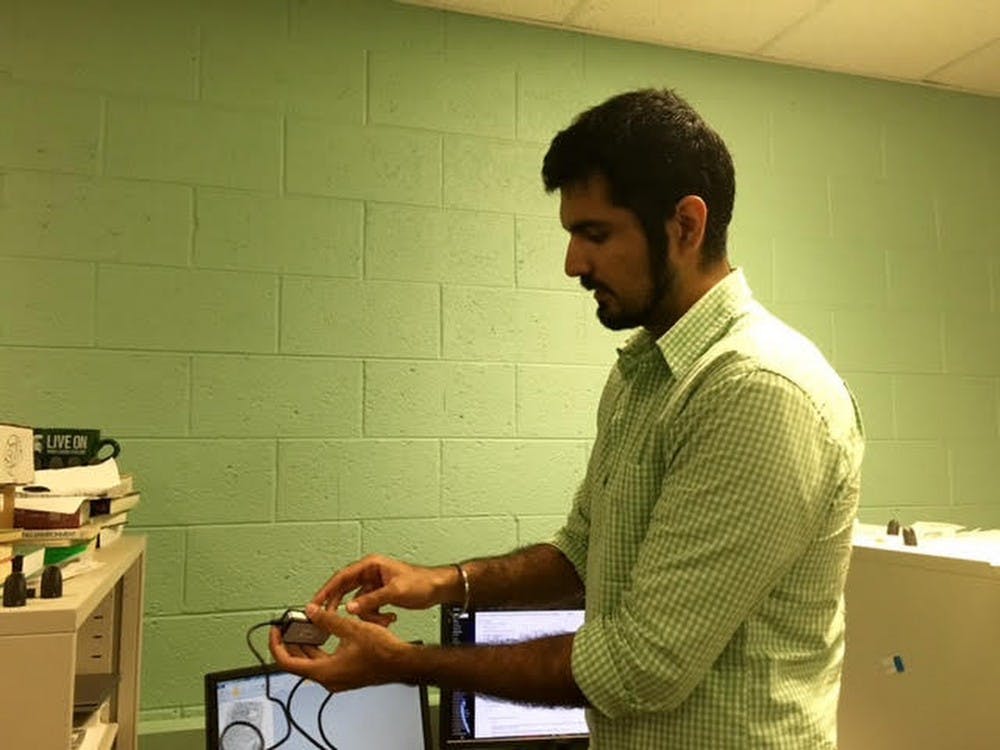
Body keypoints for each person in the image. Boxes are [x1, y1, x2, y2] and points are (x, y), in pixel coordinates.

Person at [270, 88, 865, 749]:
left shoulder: (756, 392)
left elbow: (643, 664)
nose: (573, 263)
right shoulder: (643, 374)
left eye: (596, 234)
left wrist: (406, 664)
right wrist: (442, 585)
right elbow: (583, 553)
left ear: (686, 226)